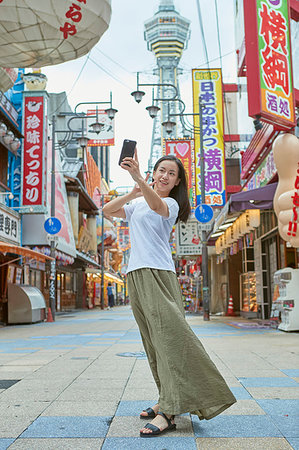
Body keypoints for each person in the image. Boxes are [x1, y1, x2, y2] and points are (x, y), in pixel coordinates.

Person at [103, 150, 236, 438]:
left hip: (159, 274)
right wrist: (133, 190)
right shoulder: (139, 201)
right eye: (160, 170)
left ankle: (170, 412)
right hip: (136, 274)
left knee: (171, 340)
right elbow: (107, 210)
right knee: (153, 343)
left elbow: (157, 207)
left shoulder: (171, 204)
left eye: (171, 173)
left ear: (177, 182)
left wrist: (139, 178)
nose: (164, 176)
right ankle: (167, 399)